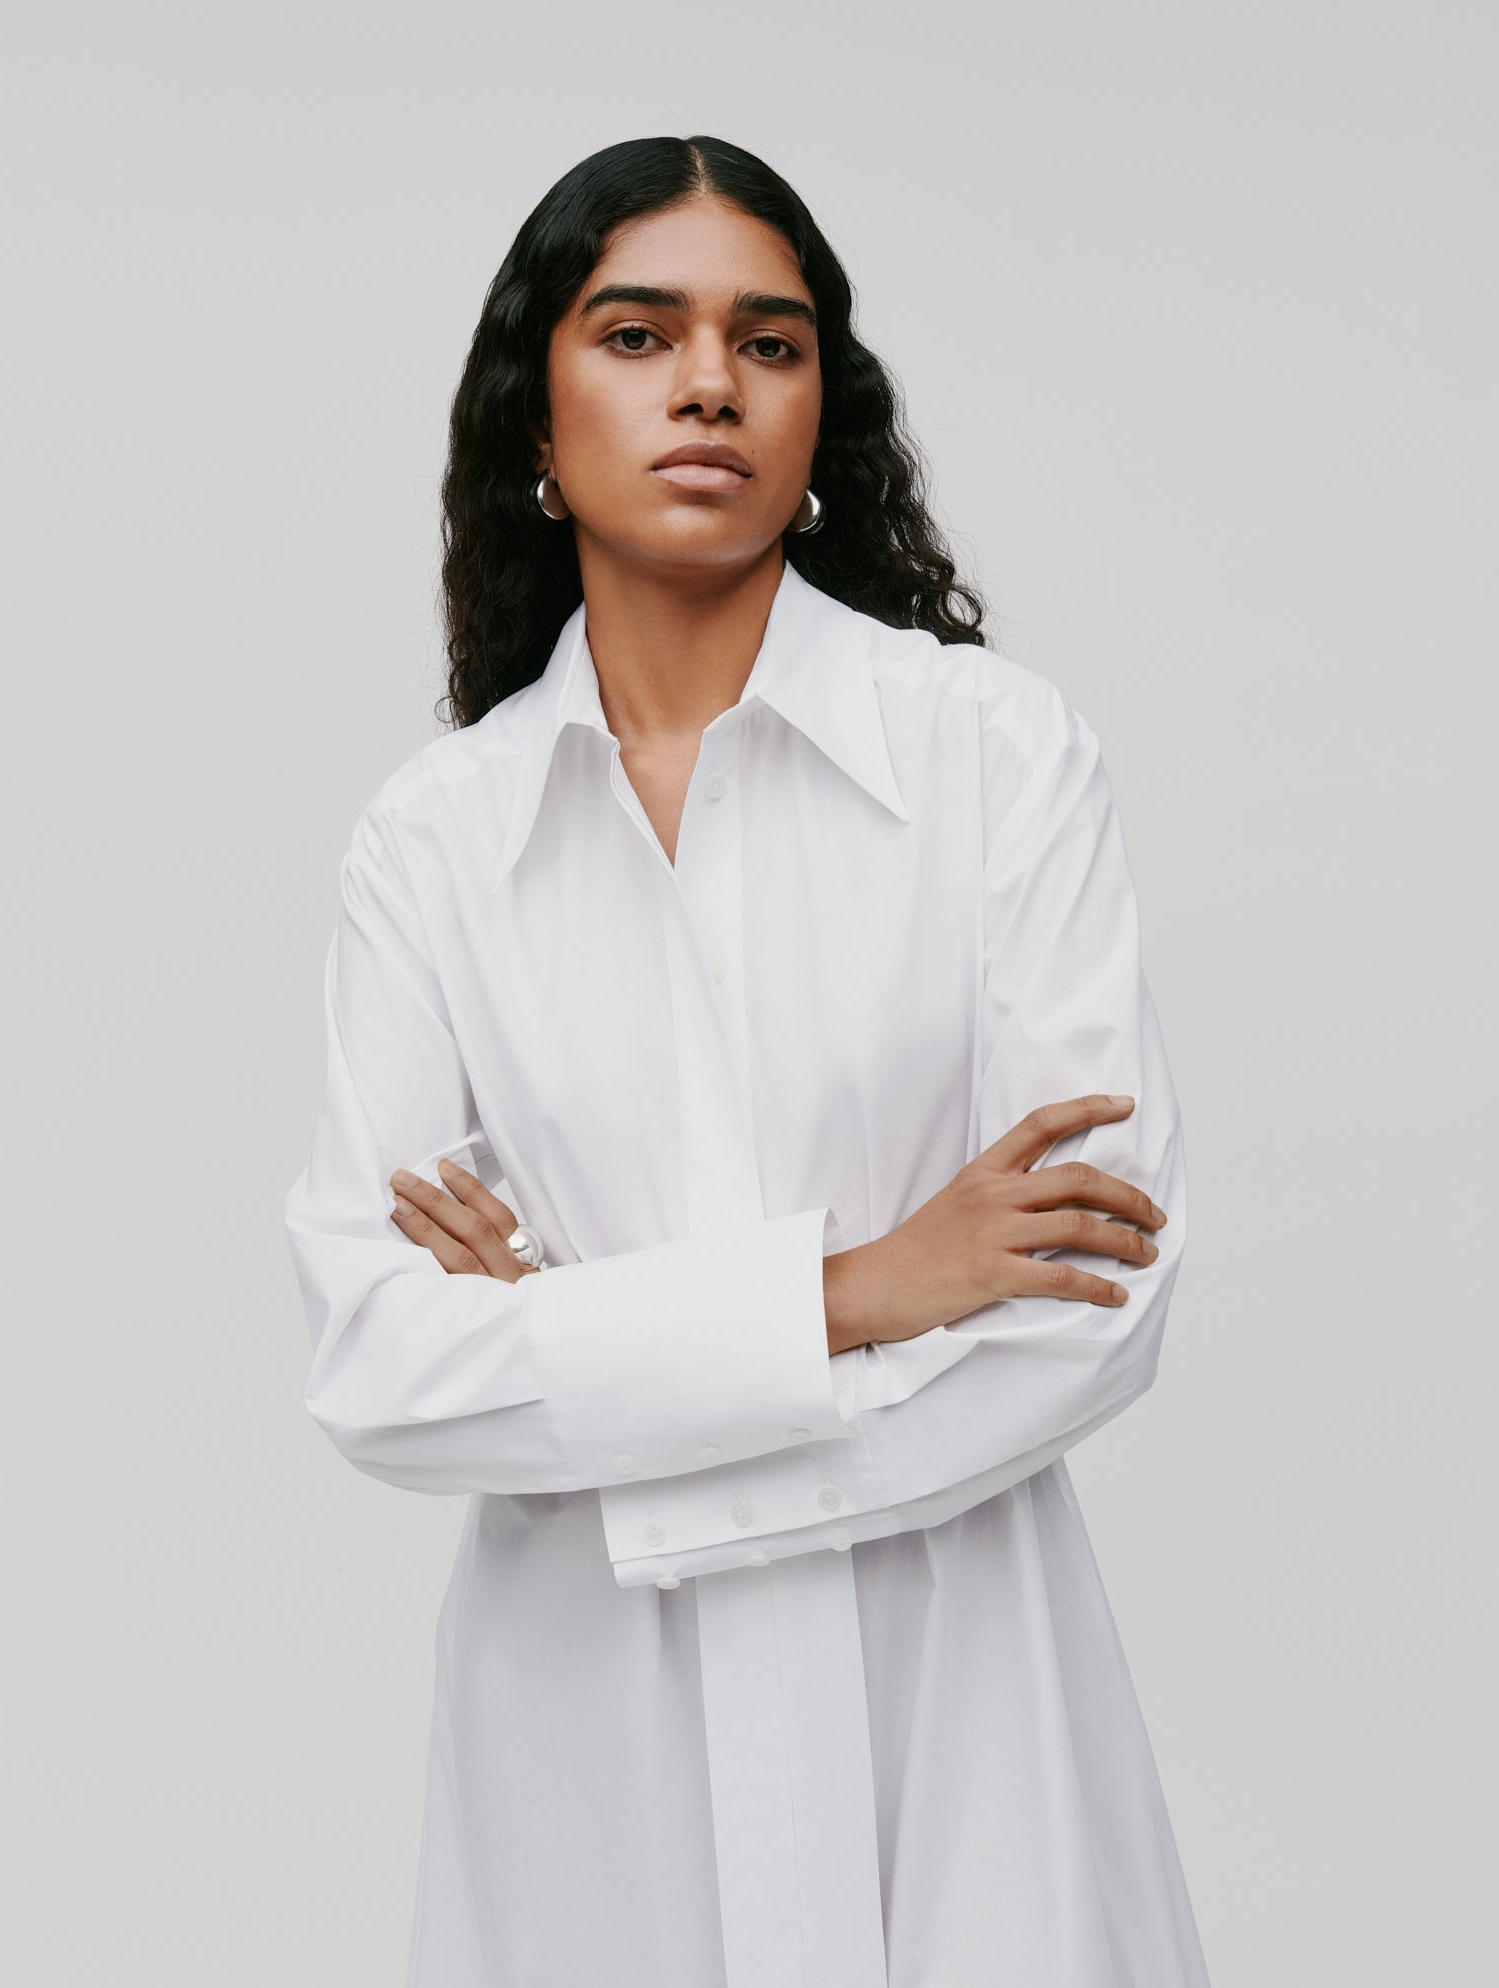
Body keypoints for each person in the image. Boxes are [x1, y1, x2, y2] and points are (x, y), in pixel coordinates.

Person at [284, 134, 1211, 1988]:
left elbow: (1091, 1297)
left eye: (768, 342)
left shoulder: (996, 758)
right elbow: (381, 1362)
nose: (710, 380)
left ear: (818, 421)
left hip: (961, 1698)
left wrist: (588, 1364)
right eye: (639, 332)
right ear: (534, 426)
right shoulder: (438, 837)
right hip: (583, 1740)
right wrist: (862, 1290)